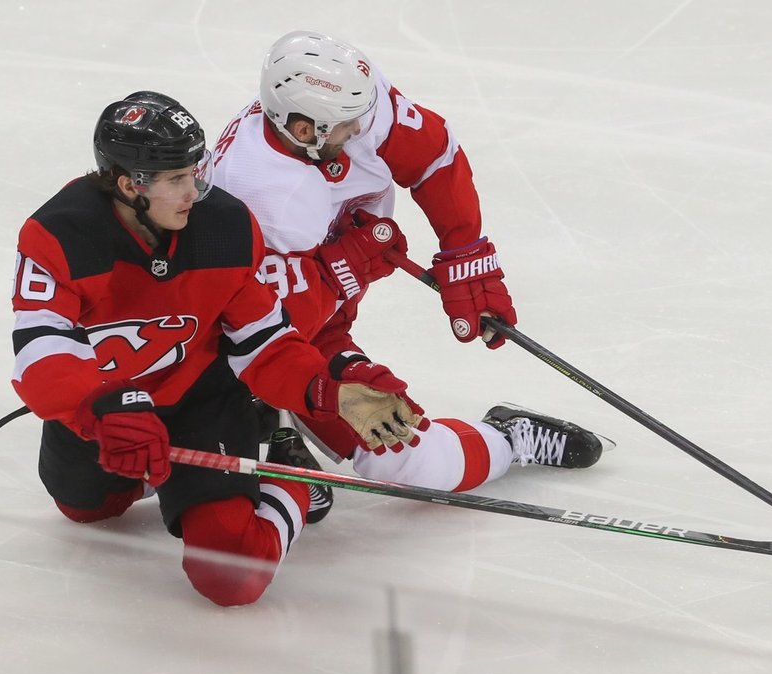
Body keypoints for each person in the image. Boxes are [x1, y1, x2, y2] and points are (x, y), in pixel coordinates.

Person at [10, 90, 423, 607]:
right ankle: (174, 475)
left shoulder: (225, 227)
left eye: (195, 171)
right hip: (107, 404)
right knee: (87, 509)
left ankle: (294, 480)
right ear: (128, 185)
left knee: (232, 578)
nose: (195, 189)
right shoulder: (60, 234)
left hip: (200, 403)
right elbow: (41, 347)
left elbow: (264, 341)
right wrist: (98, 408)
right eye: (176, 179)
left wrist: (323, 391)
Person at [210, 30, 610, 491]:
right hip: (261, 344)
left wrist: (465, 251)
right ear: (306, 130)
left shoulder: (337, 104)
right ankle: (506, 439)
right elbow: (264, 327)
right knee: (412, 464)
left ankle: (267, 411)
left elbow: (433, 154)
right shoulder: (263, 194)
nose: (364, 129)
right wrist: (347, 266)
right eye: (349, 125)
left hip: (302, 314)